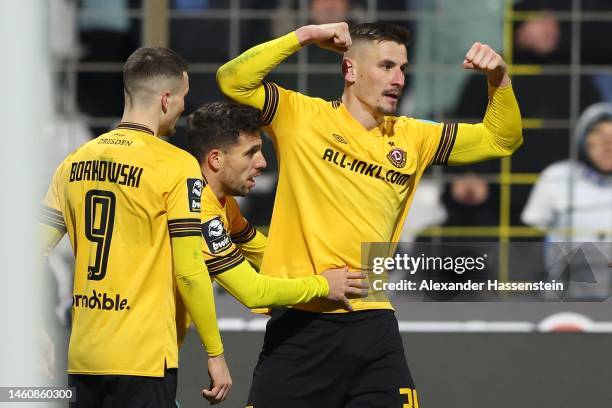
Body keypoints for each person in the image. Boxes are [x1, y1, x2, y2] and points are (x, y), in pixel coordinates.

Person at [217, 21, 522, 407]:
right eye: (385, 66)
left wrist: (500, 77)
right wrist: (306, 35)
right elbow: (233, 80)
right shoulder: (301, 117)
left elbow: (502, 139)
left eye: (402, 69)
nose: (398, 79)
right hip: (301, 324)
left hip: (373, 323)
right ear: (351, 70)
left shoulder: (414, 137)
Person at [39, 47, 231, 407]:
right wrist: (215, 352)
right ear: (165, 99)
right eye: (183, 98)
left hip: (84, 358)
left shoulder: (74, 162)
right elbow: (190, 270)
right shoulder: (176, 166)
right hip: (143, 361)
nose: (184, 109)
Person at [175, 101, 367, 343]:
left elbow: (266, 252)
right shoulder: (200, 209)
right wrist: (323, 285)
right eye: (250, 152)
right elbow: (254, 292)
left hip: (155, 348)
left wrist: (332, 269)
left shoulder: (223, 203)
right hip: (142, 351)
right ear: (216, 159)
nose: (262, 163)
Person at [522, 102, 612, 299]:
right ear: (582, 140)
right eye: (598, 133)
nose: (608, 142)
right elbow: (530, 243)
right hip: (568, 294)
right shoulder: (557, 176)